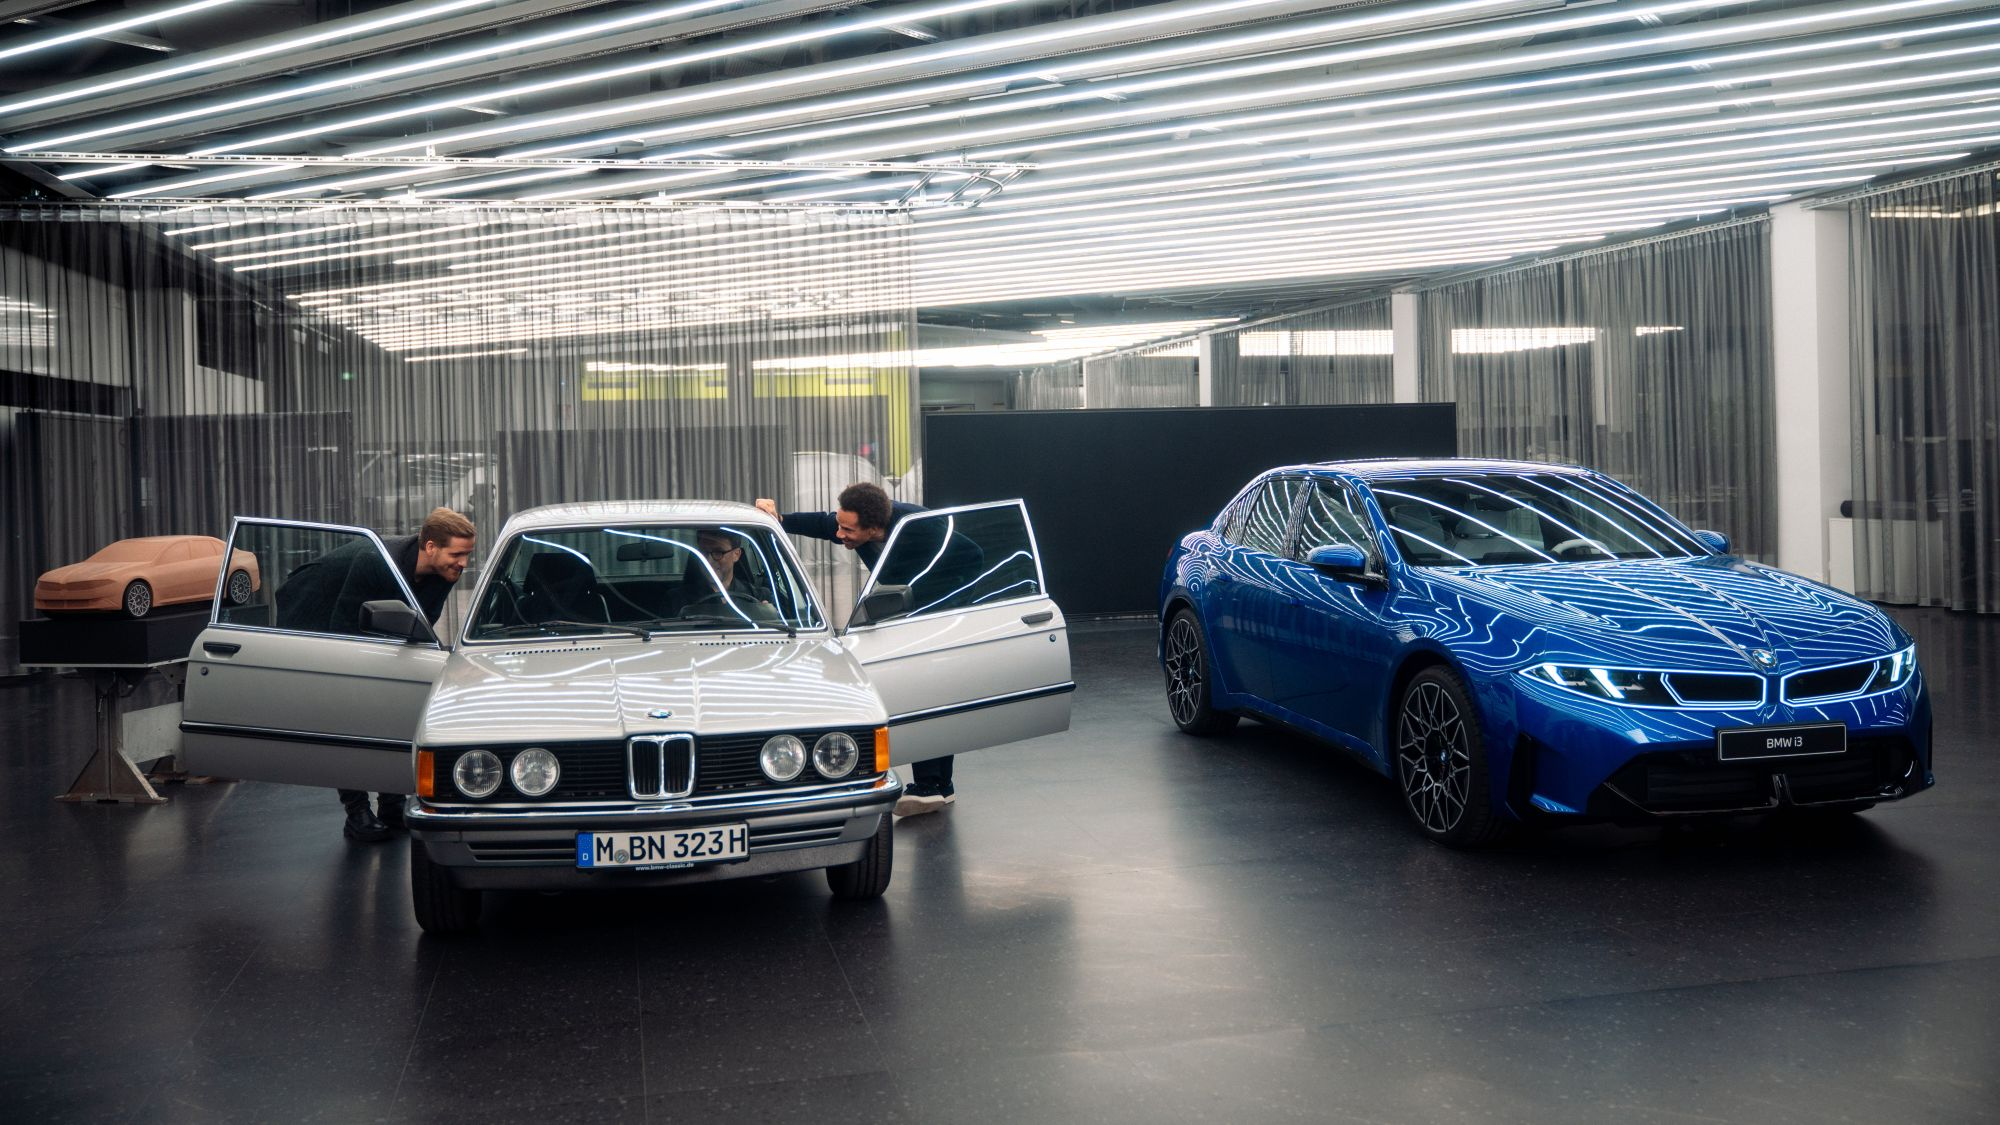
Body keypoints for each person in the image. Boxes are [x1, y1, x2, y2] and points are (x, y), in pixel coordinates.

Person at [753, 482, 956, 818]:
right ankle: (938, 786)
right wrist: (780, 519)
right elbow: (822, 524)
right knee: (928, 692)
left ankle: (931, 785)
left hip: (940, 616)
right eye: (840, 524)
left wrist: (930, 601)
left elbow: (972, 556)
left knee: (928, 693)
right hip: (911, 615)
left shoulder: (921, 527)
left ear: (874, 529)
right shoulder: (860, 526)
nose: (839, 534)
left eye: (847, 530)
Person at [276, 507, 476, 843]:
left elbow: (418, 626)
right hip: (312, 610)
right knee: (343, 716)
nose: (464, 563)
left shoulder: (444, 573)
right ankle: (356, 813)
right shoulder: (376, 562)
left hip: (358, 617)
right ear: (430, 547)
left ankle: (391, 805)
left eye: (467, 555)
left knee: (391, 706)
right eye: (457, 554)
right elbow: (344, 634)